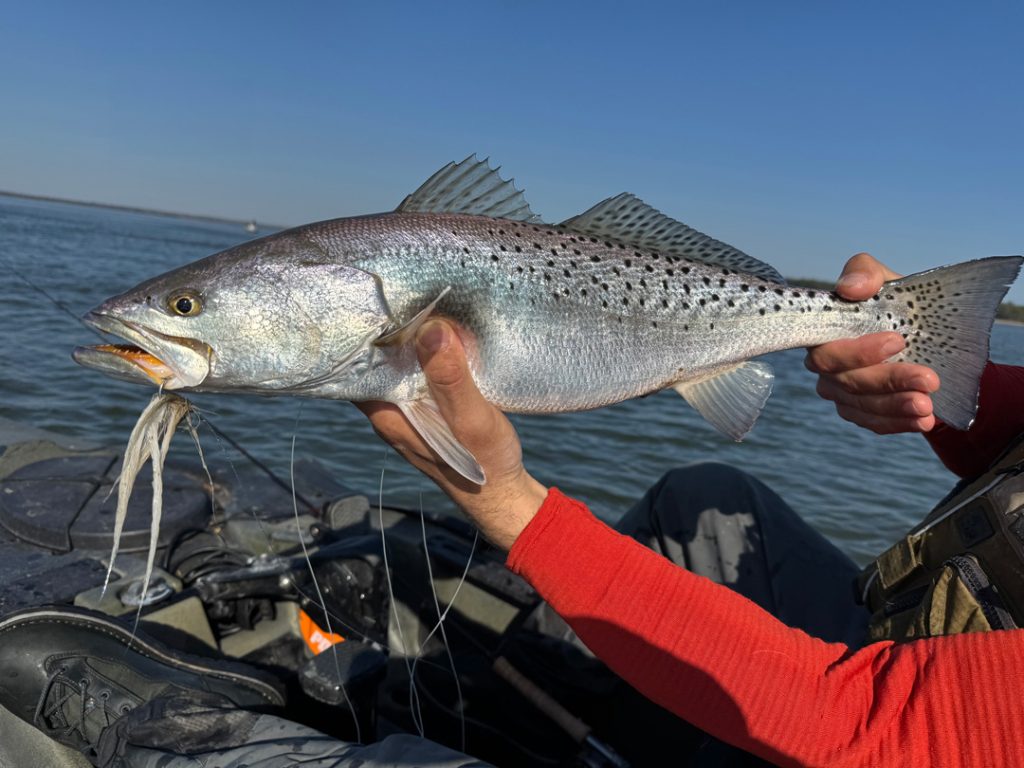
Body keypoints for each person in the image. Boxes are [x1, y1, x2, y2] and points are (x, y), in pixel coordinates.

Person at [0, 254, 1021, 768]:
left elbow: (871, 726)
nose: (169, 323)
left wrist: (514, 507)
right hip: (924, 643)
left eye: (187, 309)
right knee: (705, 500)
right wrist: (947, 400)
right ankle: (592, 706)